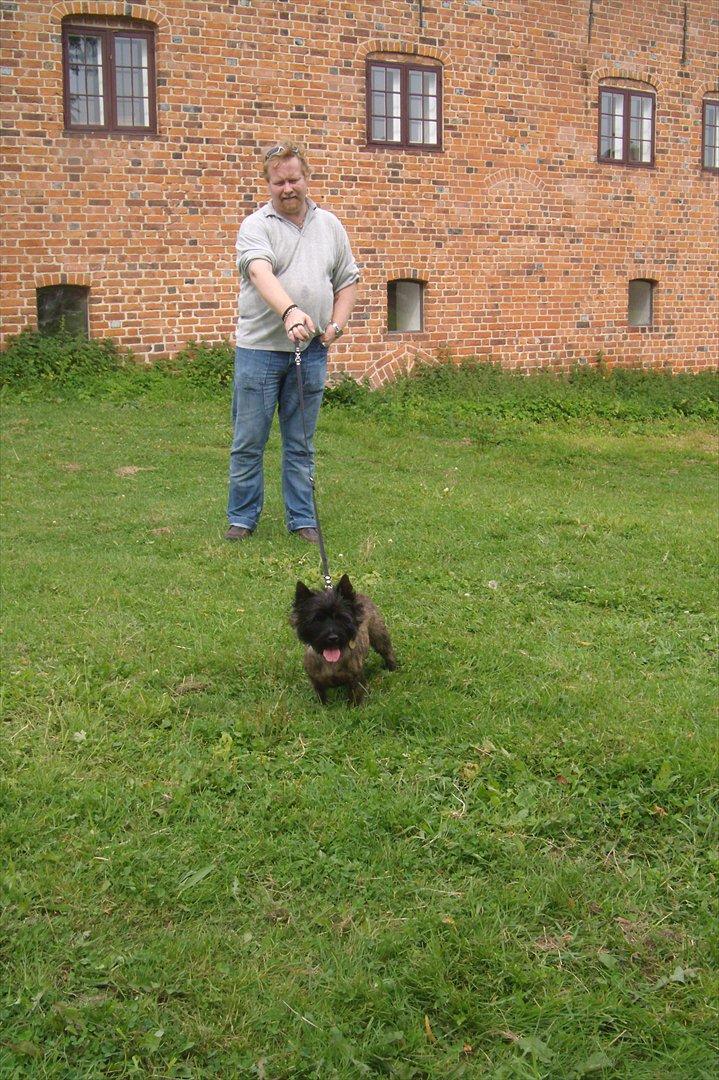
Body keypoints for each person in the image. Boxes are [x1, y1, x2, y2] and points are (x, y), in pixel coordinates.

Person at [226, 142, 359, 543]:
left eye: (294, 179)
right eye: (279, 181)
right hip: (260, 352)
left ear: (307, 178)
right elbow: (260, 273)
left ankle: (302, 520)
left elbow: (347, 278)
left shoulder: (330, 225)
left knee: (301, 442)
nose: (288, 188)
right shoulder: (256, 226)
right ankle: (242, 518)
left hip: (312, 352)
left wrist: (335, 326)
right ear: (267, 184)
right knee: (249, 440)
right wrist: (289, 311)